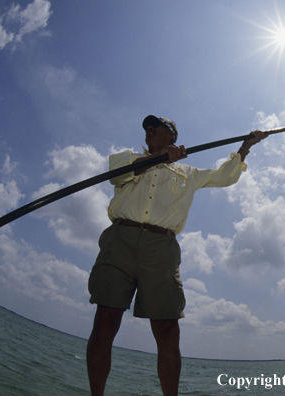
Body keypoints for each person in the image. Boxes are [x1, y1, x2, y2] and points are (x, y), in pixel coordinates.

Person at [86, 115, 266, 396]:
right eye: (147, 127)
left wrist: (245, 148)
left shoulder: (189, 172)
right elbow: (116, 175)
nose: (149, 129)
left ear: (172, 135)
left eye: (157, 126)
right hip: (120, 239)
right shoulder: (128, 158)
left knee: (168, 329)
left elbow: (224, 177)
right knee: (105, 320)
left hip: (162, 248)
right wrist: (158, 159)